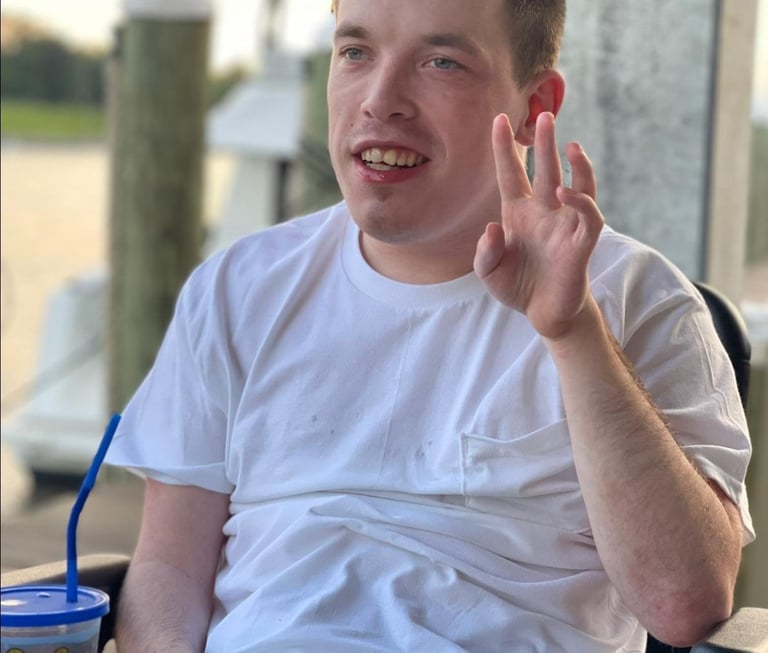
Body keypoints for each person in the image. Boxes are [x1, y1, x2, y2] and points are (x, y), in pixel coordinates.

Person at [105, 1, 754, 651]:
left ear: (534, 106)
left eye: (441, 62)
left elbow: (683, 604)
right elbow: (168, 568)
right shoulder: (238, 289)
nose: (380, 100)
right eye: (355, 53)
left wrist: (574, 334)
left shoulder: (639, 300)